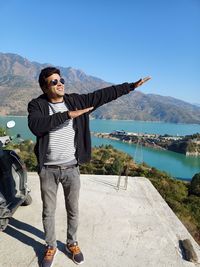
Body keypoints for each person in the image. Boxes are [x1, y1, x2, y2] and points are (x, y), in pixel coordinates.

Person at [27, 66, 151, 267]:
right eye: (54, 82)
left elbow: (103, 95)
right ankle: (50, 246)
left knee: (73, 209)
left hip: (71, 168)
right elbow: (36, 126)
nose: (60, 84)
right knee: (48, 211)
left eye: (61, 80)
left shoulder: (76, 100)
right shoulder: (37, 105)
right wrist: (68, 115)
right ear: (44, 87)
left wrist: (131, 86)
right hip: (48, 169)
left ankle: (71, 242)